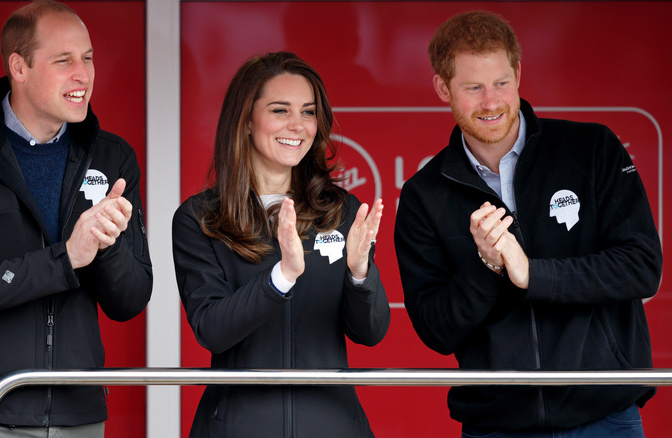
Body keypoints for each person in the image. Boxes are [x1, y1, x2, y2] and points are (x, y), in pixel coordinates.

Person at [394, 10, 662, 437]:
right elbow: (436, 329)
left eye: (501, 82)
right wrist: (489, 268)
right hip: (496, 425)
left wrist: (532, 274)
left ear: (518, 73)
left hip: (605, 417)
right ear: (443, 88)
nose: (491, 101)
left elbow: (641, 267)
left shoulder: (592, 148)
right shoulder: (423, 195)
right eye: (473, 87)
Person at [0, 1, 152, 436]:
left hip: (80, 415)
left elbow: (130, 301)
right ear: (18, 67)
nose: (84, 74)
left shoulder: (113, 157)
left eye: (88, 58)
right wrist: (67, 257)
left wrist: (107, 245)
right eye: (64, 61)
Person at [173, 51, 390, 438]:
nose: (298, 125)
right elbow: (212, 329)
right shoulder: (200, 218)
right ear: (246, 121)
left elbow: (370, 332)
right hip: (237, 428)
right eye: (280, 110)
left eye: (308, 112)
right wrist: (282, 277)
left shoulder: (341, 210)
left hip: (334, 427)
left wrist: (361, 275)